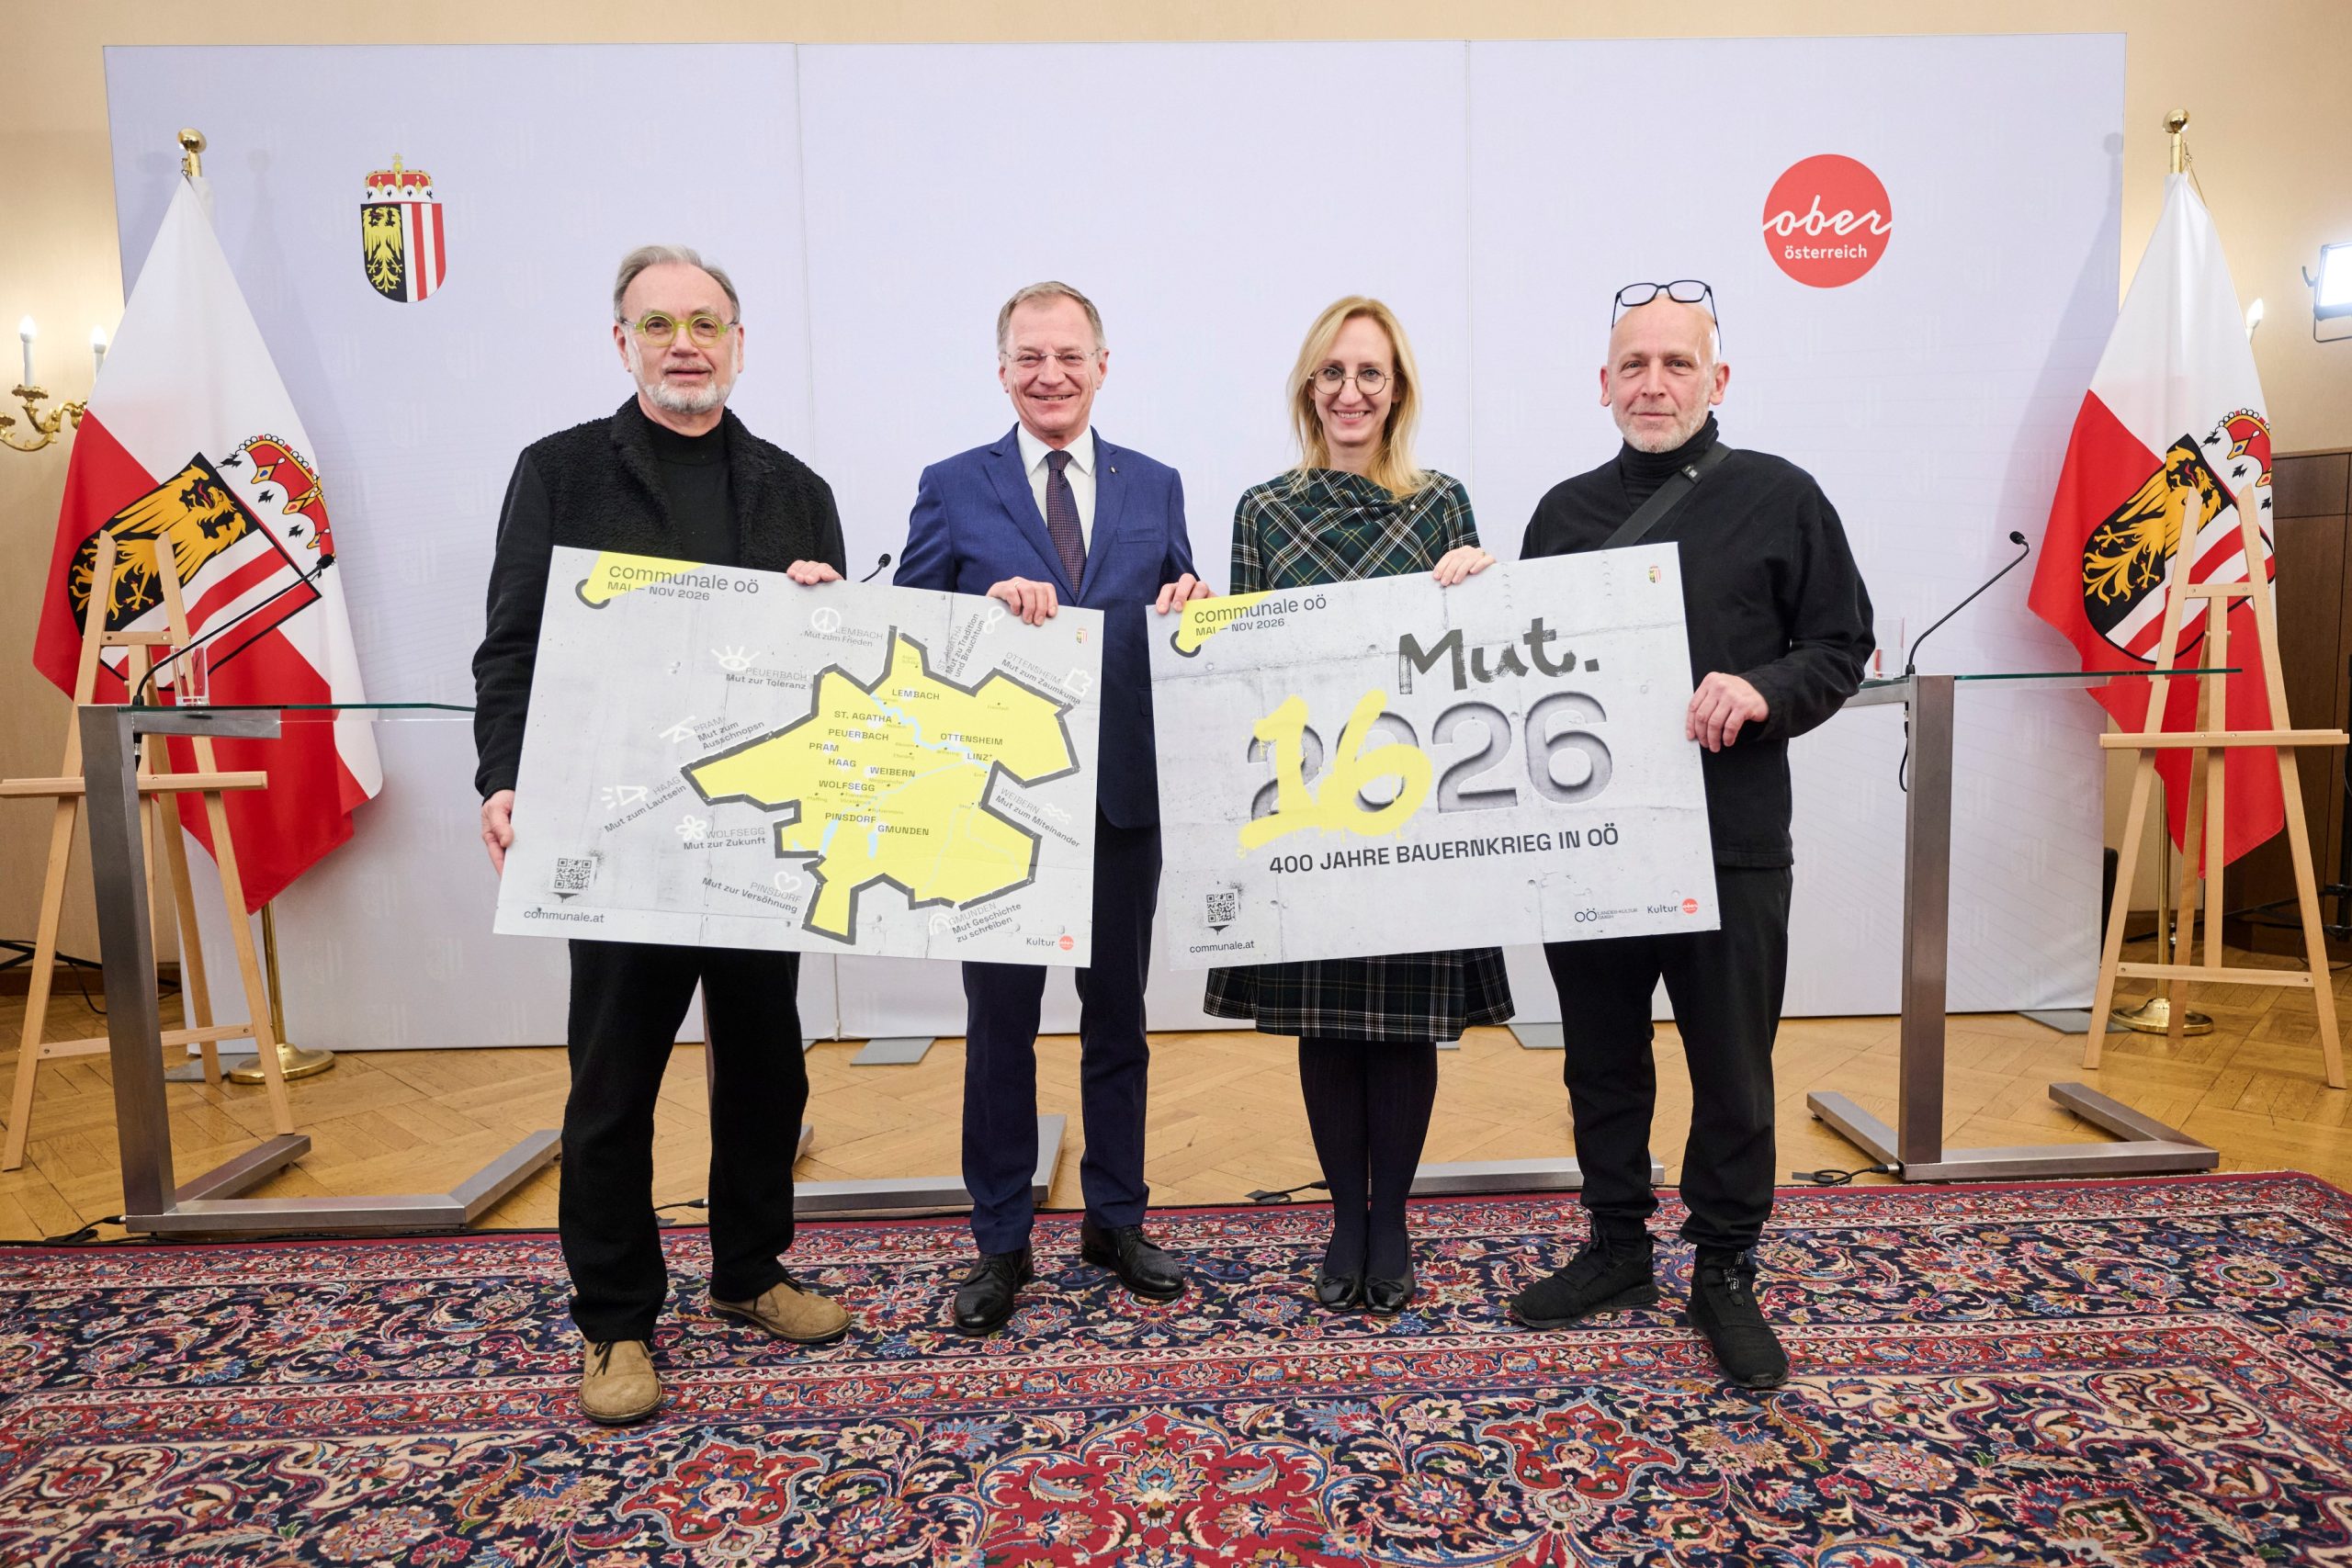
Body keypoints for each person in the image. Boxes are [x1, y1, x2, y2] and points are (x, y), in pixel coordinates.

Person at [473, 244, 854, 1425]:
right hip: (615, 828)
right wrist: (501, 778)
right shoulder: (559, 471)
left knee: (767, 1068)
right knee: (613, 1083)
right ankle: (615, 1320)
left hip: (756, 836)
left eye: (704, 322)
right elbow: (512, 646)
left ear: (738, 342)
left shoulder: (796, 488)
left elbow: (835, 673)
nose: (683, 343)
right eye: (657, 324)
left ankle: (748, 1271)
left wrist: (828, 613)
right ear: (622, 341)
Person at [1511, 280, 1872, 1388]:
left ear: (1718, 379)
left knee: (1732, 1070)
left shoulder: (1781, 495)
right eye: (1634, 365)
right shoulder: (1560, 514)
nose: (1654, 384)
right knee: (1600, 1061)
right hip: (1593, 844)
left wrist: (1763, 689)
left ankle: (1723, 1269)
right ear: (1603, 384)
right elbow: (1517, 668)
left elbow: (1839, 645)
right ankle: (1617, 1247)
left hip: (1732, 839)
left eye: (1676, 364)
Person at [896, 281, 1210, 1337]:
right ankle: (1000, 1241)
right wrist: (978, 609)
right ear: (1002, 371)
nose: (1050, 374)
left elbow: (1179, 612)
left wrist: (1193, 601)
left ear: (1101, 366)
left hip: (1121, 800)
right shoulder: (952, 485)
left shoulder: (1155, 484)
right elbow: (907, 631)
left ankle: (1116, 1220)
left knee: (1118, 1021)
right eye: (1029, 357)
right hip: (996, 811)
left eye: (1069, 355)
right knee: (1001, 1031)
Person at [1204, 296, 1512, 1318]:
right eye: (1332, 373)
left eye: (1369, 373)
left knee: (1404, 1027)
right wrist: (1201, 625)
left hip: (1416, 814)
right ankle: (1346, 1216)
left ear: (1397, 389)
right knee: (1330, 1028)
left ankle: (1393, 1223)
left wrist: (1480, 582)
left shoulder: (1443, 504)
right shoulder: (1262, 509)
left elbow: (1472, 661)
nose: (1350, 392)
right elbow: (1245, 667)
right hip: (1310, 807)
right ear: (1309, 389)